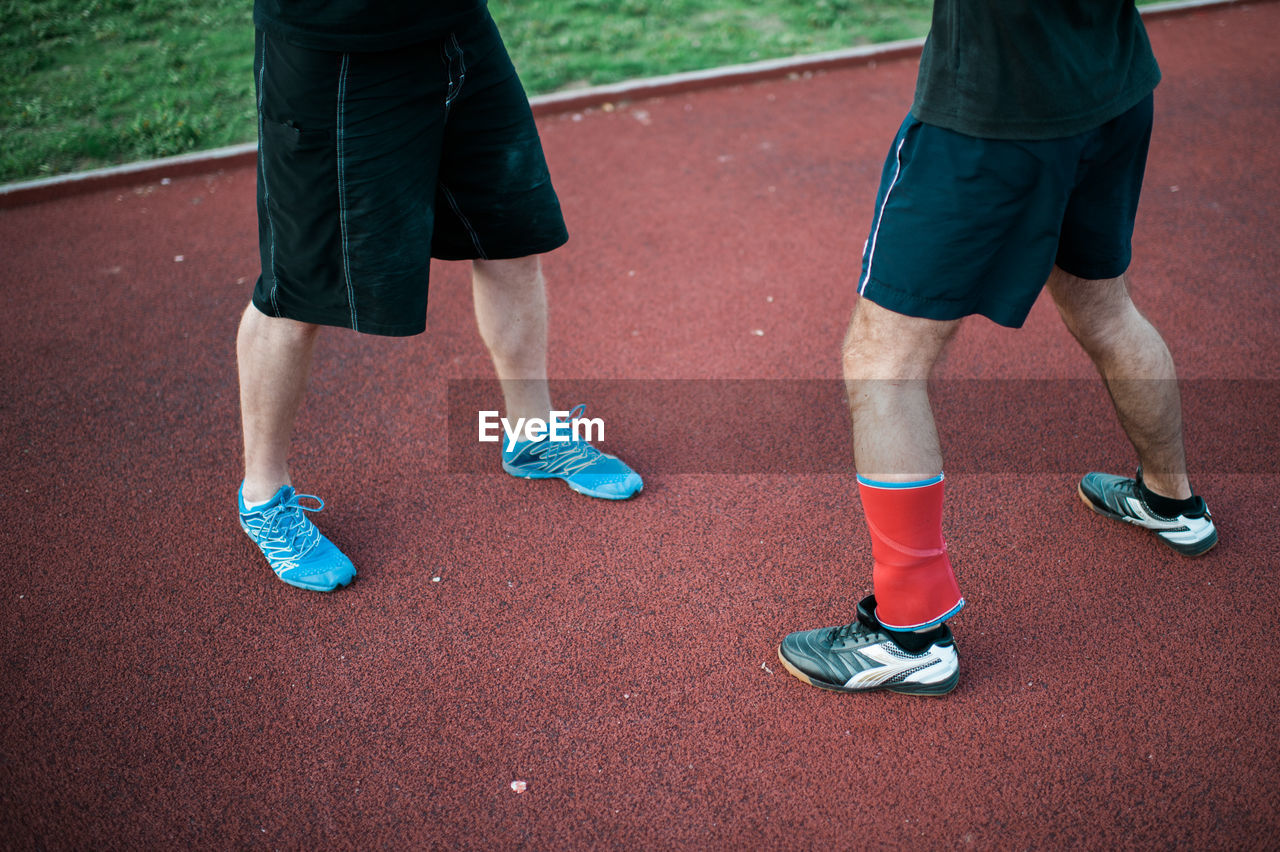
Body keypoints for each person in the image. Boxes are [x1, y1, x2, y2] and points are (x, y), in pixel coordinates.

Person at [777, 2, 1217, 695]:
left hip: (991, 118)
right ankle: (1171, 502)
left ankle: (910, 635)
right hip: (1113, 88)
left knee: (884, 361)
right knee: (1106, 306)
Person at [237, 0, 642, 592]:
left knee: (509, 242)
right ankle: (263, 498)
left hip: (457, 28)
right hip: (334, 47)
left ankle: (533, 435)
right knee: (295, 291)